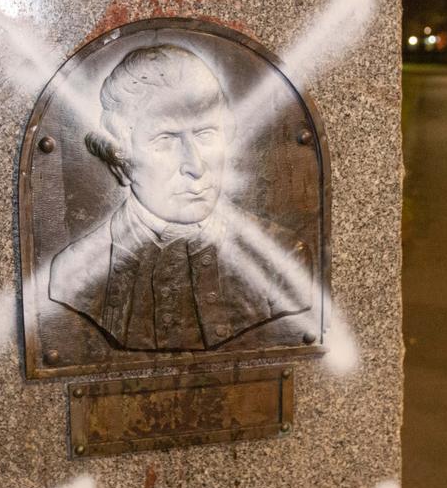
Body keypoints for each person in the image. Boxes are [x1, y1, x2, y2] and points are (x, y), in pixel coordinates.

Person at [49, 44, 311, 351]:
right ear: (120, 160)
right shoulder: (72, 273)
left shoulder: (281, 259)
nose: (195, 166)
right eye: (166, 140)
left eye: (206, 135)